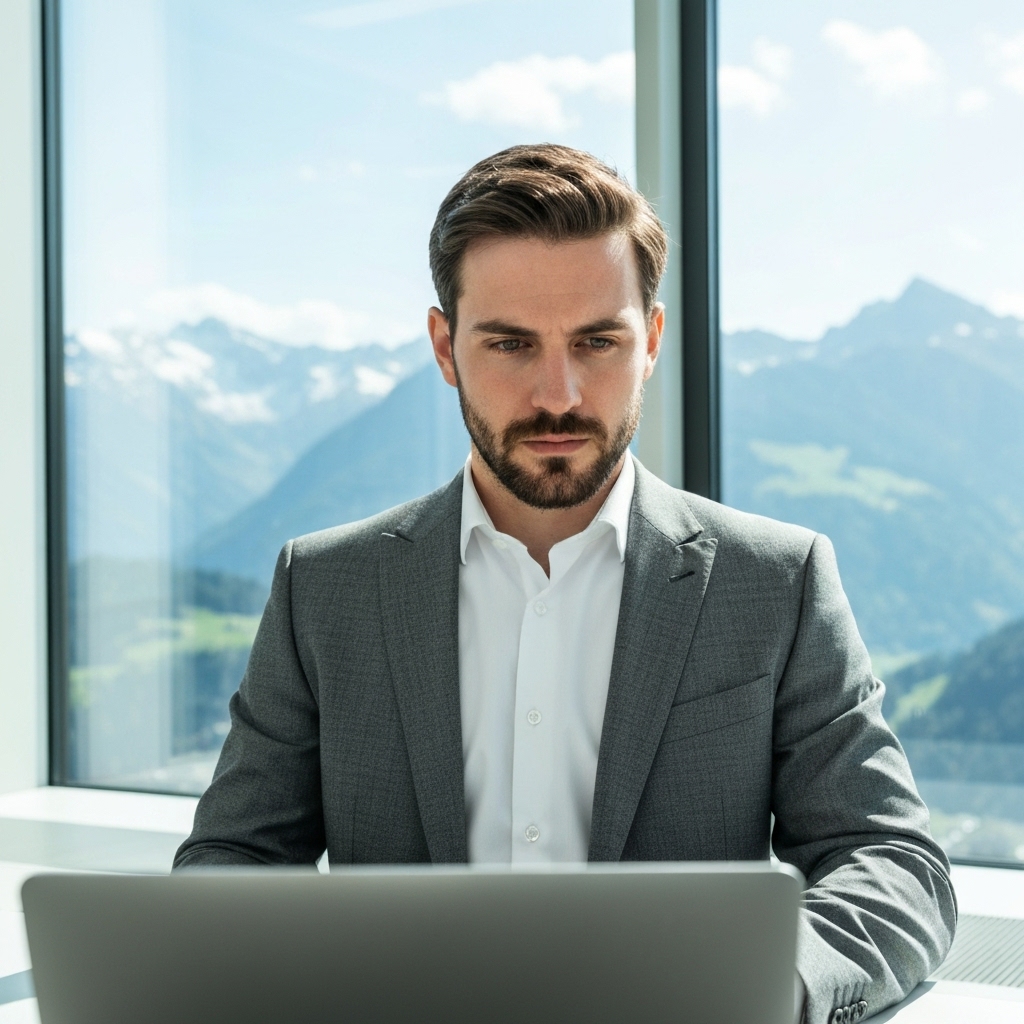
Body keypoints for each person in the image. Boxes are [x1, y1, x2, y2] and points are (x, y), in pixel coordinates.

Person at [174, 144, 956, 1024]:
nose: (559, 394)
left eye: (597, 341)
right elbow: (231, 860)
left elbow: (893, 864)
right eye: (511, 344)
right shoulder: (323, 589)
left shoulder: (777, 582)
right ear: (445, 347)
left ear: (650, 341)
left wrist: (772, 985)